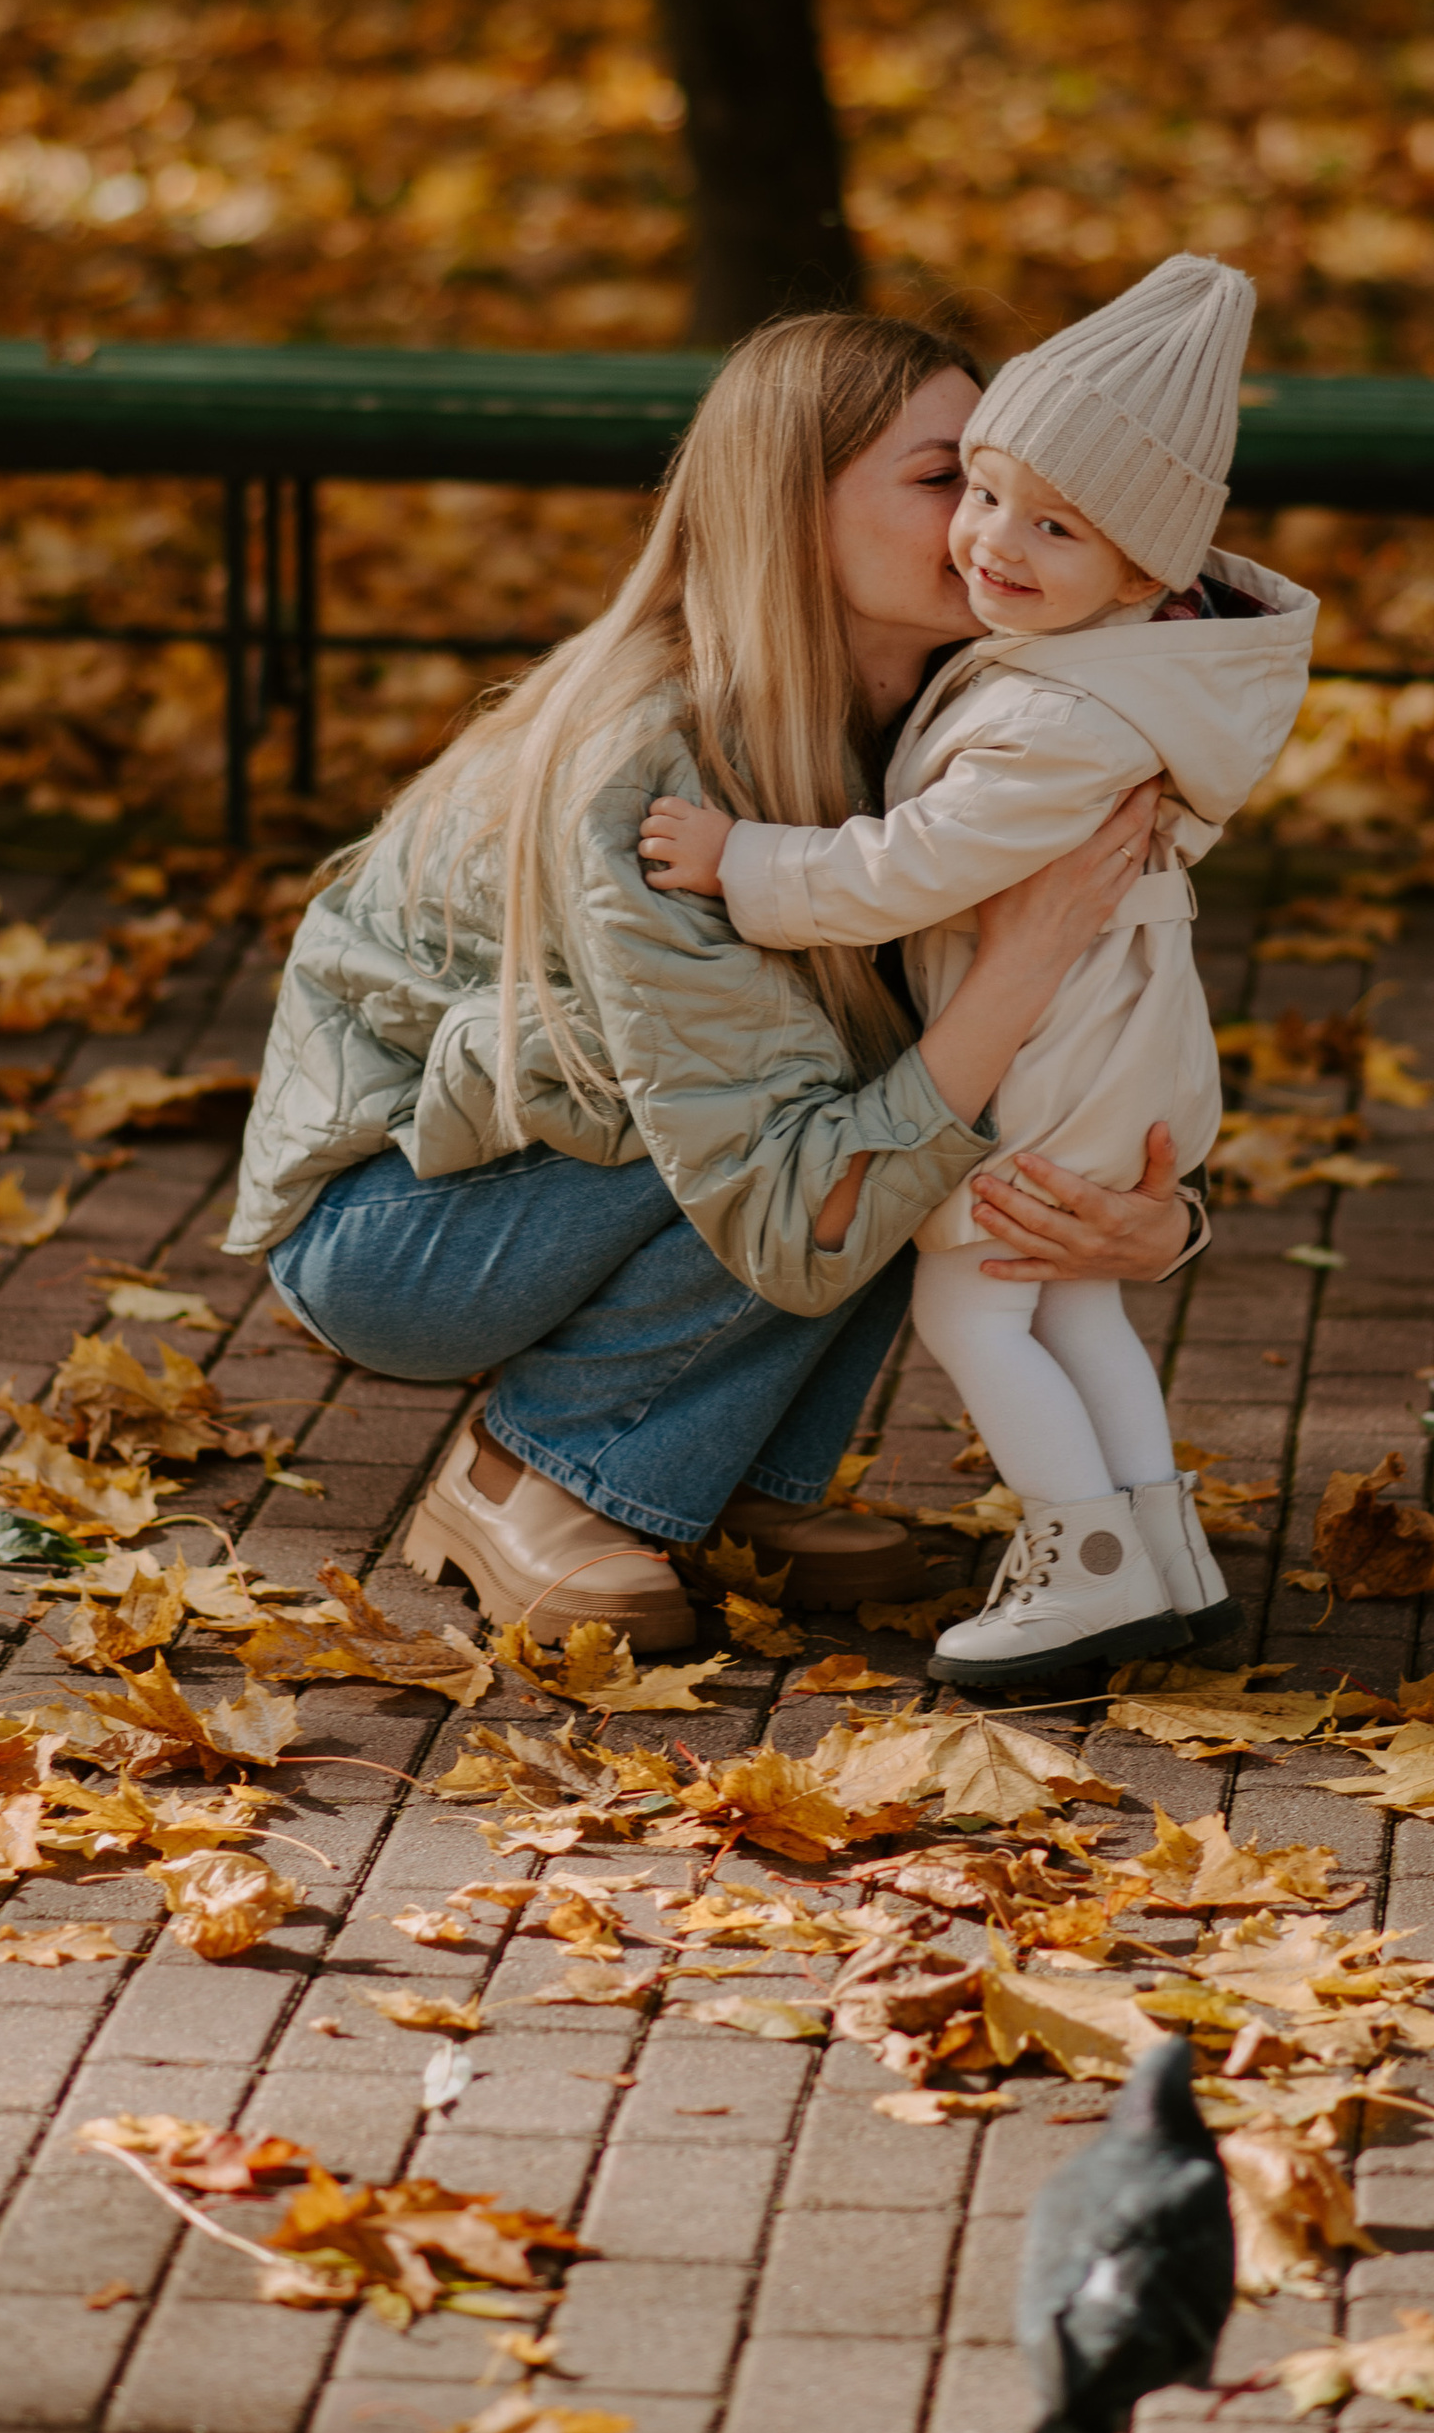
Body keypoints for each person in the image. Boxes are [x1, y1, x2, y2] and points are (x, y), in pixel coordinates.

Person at [223, 313, 1209, 1653]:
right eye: (951, 480)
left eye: (1015, 487)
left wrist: (1163, 1219)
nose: (994, 521)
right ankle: (544, 1465)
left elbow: (1116, 1024)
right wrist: (1021, 959)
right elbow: (796, 1175)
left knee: (901, 1105)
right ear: (791, 506)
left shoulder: (980, 734)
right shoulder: (653, 764)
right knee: (881, 1114)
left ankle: (723, 1469)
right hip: (403, 1216)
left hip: (630, 1139)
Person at [642, 259, 1316, 1688]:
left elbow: (910, 865)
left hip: (1058, 1049)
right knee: (1073, 1303)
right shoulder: (1105, 657)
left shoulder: (1065, 712)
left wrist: (744, 860)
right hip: (1112, 1035)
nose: (993, 541)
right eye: (987, 490)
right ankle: (1158, 1543)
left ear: (1146, 570)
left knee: (968, 1301)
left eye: (1055, 524)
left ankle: (1084, 1564)